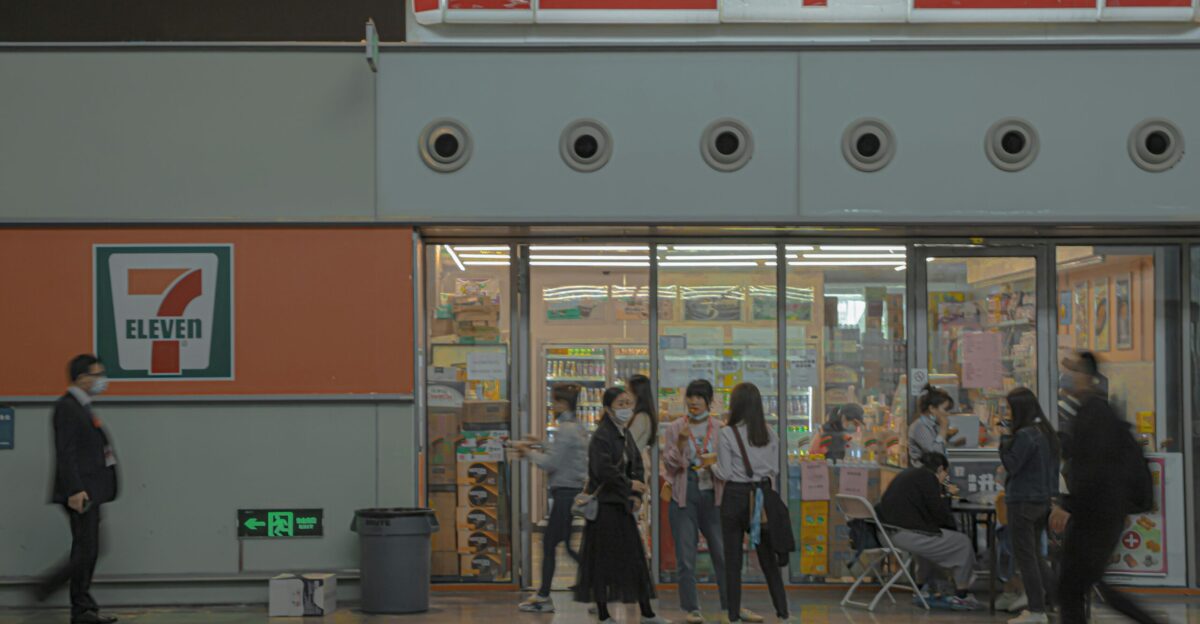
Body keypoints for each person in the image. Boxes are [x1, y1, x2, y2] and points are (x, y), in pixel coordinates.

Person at [1050, 351, 1161, 624]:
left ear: (1088, 376)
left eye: (1074, 370)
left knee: (1074, 585)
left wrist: (1068, 505)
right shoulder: (1092, 410)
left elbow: (1094, 469)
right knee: (1083, 584)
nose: (1068, 376)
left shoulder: (1095, 413)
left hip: (1097, 514)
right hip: (1099, 512)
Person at [661, 380, 762, 624]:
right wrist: (682, 443)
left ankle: (732, 606)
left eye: (699, 397)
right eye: (691, 397)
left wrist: (714, 463)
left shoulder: (721, 429)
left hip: (714, 494)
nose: (694, 402)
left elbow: (731, 462)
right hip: (684, 493)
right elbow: (670, 464)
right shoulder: (675, 427)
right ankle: (691, 608)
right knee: (686, 556)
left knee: (723, 553)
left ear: (710, 401)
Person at [35, 355, 120, 624]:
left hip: (90, 490)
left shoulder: (82, 407)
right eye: (98, 375)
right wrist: (75, 490)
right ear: (82, 378)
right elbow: (66, 452)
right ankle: (54, 591)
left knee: (88, 549)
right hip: (80, 492)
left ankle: (82, 608)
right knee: (87, 549)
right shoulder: (67, 408)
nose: (102, 380)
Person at [574, 387, 669, 624]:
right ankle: (604, 614)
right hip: (605, 508)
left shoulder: (624, 434)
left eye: (628, 403)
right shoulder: (601, 436)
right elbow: (603, 470)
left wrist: (635, 494)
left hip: (622, 506)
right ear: (608, 409)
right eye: (620, 404)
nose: (626, 408)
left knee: (635, 560)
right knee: (603, 561)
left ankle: (647, 613)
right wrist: (629, 484)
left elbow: (636, 463)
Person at [713, 383, 792, 623]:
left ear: (735, 405)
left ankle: (733, 614)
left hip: (736, 496)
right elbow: (775, 469)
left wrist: (710, 467)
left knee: (733, 560)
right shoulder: (770, 432)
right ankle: (782, 611)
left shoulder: (727, 433)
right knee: (768, 559)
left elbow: (725, 472)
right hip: (762, 496)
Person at [515, 383, 588, 613]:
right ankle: (596, 586)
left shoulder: (565, 429)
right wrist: (540, 442)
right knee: (565, 544)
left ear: (563, 403)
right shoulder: (576, 427)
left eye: (555, 401)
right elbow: (562, 453)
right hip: (571, 493)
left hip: (565, 495)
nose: (552, 405)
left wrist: (527, 452)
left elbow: (551, 463)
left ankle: (544, 596)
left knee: (549, 544)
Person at [876, 452, 980, 610]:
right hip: (902, 533)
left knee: (933, 541)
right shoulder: (928, 478)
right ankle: (961, 595)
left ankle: (924, 588)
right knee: (962, 542)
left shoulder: (909, 474)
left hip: (886, 531)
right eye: (945, 474)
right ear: (940, 469)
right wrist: (951, 521)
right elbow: (938, 512)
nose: (944, 478)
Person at [1000, 388, 1060, 624]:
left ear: (1019, 409)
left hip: (1022, 501)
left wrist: (1004, 439)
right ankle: (1056, 600)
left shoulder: (1025, 435)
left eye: (1009, 408)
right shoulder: (1046, 433)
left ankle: (1036, 611)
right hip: (1041, 502)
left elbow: (1012, 464)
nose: (1007, 412)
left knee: (1026, 558)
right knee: (1035, 555)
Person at [909, 384, 953, 467]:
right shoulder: (920, 426)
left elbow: (941, 447)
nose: (948, 414)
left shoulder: (933, 424)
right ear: (932, 408)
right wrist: (943, 429)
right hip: (923, 472)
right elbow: (936, 454)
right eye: (945, 409)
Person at [626, 374, 659, 453]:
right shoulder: (639, 414)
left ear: (637, 393)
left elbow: (627, 443)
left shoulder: (641, 417)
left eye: (628, 390)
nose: (625, 394)